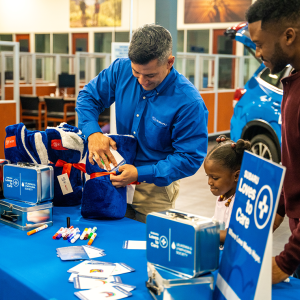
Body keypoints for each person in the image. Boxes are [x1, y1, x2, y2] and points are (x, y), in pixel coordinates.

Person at [76, 24, 208, 223]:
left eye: (151, 75)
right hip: (115, 178)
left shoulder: (188, 103)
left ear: (169, 62)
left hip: (155, 188)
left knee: (148, 247)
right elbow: (87, 98)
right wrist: (93, 133)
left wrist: (140, 173)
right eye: (136, 73)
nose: (142, 81)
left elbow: (189, 157)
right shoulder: (120, 70)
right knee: (112, 239)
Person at [246, 0, 300, 284]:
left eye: (259, 44)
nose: (257, 53)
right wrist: (278, 209)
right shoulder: (291, 81)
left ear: (288, 36)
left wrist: (286, 261)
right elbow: (292, 163)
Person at [204, 135, 251, 244]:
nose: (209, 182)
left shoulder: (239, 202)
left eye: (215, 178)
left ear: (236, 176)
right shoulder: (224, 195)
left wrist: (202, 233)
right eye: (208, 176)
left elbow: (232, 235)